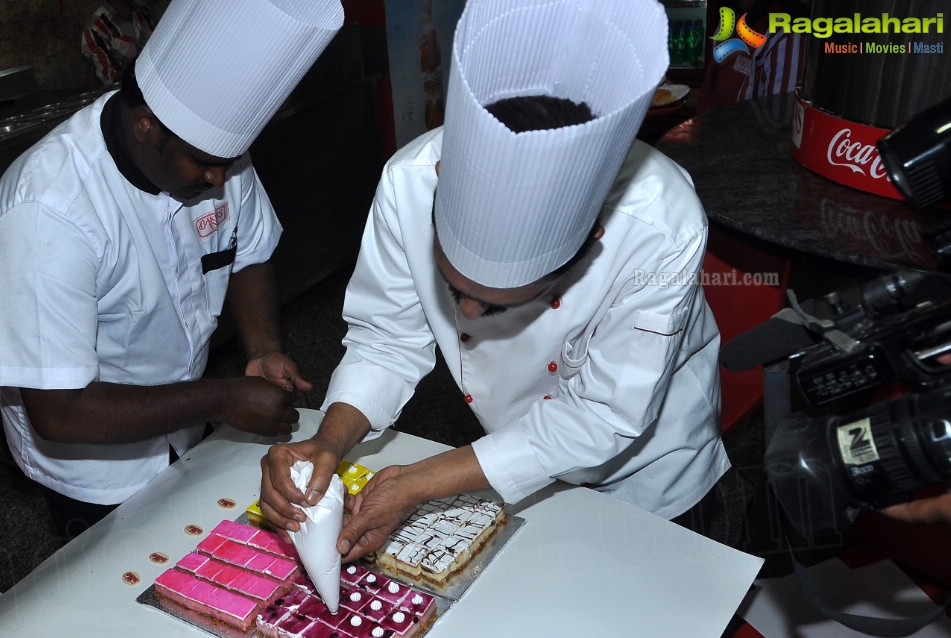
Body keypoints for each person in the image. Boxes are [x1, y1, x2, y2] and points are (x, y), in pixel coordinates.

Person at [260, 0, 730, 561]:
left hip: (650, 477)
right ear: (438, 184)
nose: (472, 319)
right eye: (456, 294)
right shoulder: (407, 184)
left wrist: (422, 480)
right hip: (501, 460)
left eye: (501, 305)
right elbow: (386, 340)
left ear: (591, 242)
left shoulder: (659, 224)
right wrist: (327, 441)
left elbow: (600, 415)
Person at [0, 0, 343, 538]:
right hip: (91, 458)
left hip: (184, 417)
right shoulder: (49, 212)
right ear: (146, 126)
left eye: (228, 161)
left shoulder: (212, 157)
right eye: (204, 164)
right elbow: (59, 410)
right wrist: (223, 398)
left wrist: (263, 348)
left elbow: (246, 254)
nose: (220, 178)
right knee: (112, 578)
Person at [81, 0, 163, 86]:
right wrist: (142, 64)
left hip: (160, 83)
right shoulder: (96, 27)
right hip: (132, 93)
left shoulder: (144, 12)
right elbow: (110, 78)